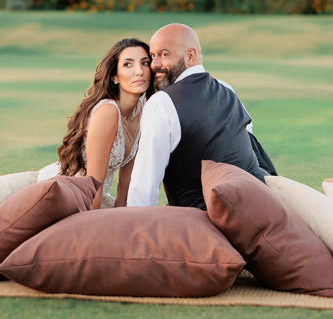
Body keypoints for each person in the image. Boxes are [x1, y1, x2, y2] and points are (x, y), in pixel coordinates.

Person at [129, 23, 275, 210]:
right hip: (261, 202)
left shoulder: (161, 102)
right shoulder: (226, 88)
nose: (155, 64)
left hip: (206, 218)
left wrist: (133, 229)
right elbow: (246, 134)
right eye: (153, 56)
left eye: (164, 54)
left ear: (190, 56)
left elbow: (145, 183)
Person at [57, 38, 155, 208]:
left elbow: (125, 186)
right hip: (71, 196)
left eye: (145, 63)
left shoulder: (144, 109)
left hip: (98, 197)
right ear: (115, 76)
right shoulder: (108, 112)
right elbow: (93, 184)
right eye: (128, 65)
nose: (139, 71)